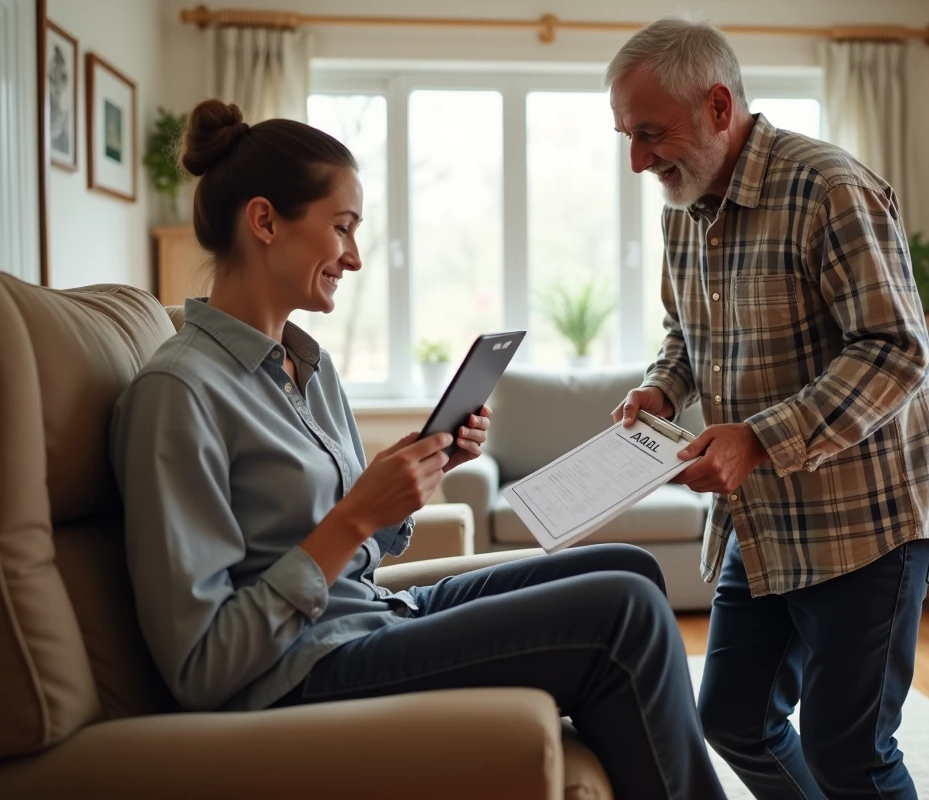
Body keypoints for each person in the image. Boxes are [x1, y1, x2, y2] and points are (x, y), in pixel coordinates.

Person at [109, 98, 726, 800]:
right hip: (297, 668)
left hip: (363, 615)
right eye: (341, 228)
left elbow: (355, 550)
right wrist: (353, 518)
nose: (355, 256)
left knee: (632, 570)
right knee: (624, 615)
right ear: (265, 221)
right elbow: (201, 665)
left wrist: (410, 478)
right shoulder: (177, 394)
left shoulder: (306, 368)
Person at [606, 19, 929, 800]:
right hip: (767, 519)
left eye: (650, 133)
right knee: (734, 721)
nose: (637, 160)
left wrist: (759, 440)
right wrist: (662, 389)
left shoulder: (829, 187)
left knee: (851, 754)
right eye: (626, 137)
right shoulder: (684, 206)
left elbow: (895, 350)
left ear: (717, 105)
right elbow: (687, 334)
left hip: (870, 522)